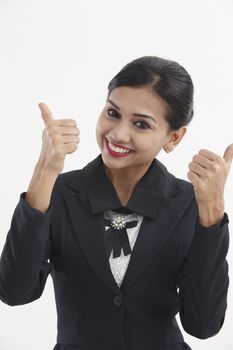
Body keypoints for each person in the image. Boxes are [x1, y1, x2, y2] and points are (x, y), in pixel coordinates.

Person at [0, 56, 232, 350]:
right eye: (112, 113)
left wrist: (211, 216)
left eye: (140, 124)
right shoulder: (59, 191)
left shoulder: (189, 204)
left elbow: (203, 326)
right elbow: (14, 292)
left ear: (173, 137)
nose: (118, 133)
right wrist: (44, 171)